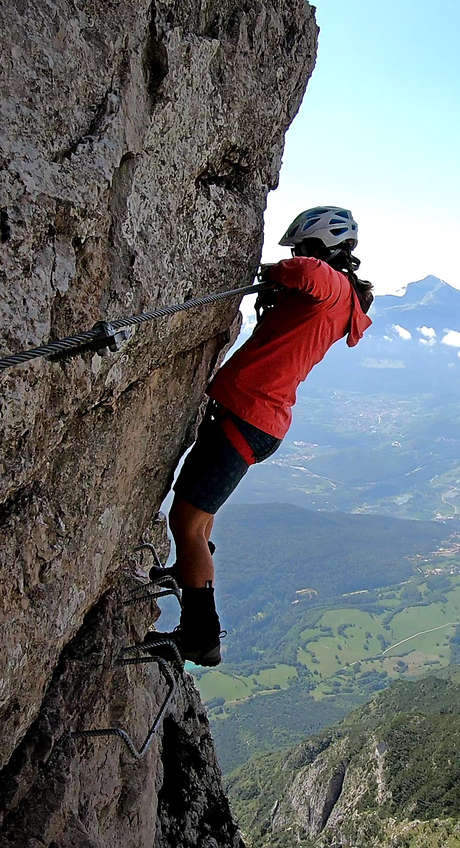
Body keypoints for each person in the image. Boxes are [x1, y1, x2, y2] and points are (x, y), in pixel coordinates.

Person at [146, 206, 374, 665]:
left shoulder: (331, 287)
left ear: (322, 249)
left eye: (304, 247)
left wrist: (274, 271)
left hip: (249, 416)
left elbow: (310, 273)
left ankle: (200, 635)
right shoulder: (338, 301)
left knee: (185, 524)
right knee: (198, 515)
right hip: (255, 418)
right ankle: (190, 574)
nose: (298, 255)